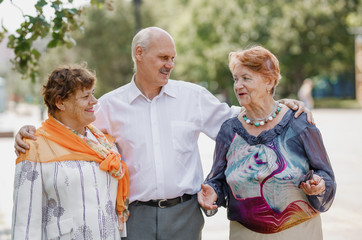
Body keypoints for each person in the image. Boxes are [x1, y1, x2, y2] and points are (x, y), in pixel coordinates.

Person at [14, 27, 312, 240]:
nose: (170, 65)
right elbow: (72, 130)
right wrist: (31, 134)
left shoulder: (192, 96)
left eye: (173, 58)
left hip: (184, 215)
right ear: (139, 54)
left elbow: (238, 120)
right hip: (134, 219)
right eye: (163, 57)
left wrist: (279, 106)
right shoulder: (110, 106)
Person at [198, 46, 336, 240]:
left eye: (246, 78)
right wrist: (212, 191)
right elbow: (218, 179)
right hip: (244, 233)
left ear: (269, 82)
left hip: (299, 231)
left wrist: (319, 185)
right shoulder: (229, 131)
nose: (238, 85)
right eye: (236, 79)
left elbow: (325, 173)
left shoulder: (298, 123)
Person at [12, 65, 129, 239]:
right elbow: (25, 224)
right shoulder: (34, 147)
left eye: (93, 93)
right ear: (60, 103)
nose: (94, 101)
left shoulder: (104, 143)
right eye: (85, 96)